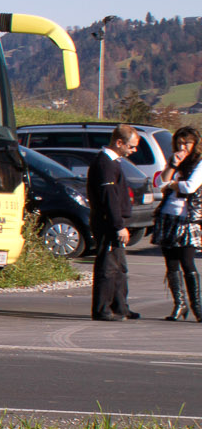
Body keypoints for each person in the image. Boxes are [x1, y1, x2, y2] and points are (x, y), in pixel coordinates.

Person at [87, 124, 140, 321]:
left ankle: (120, 306)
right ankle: (102, 308)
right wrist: (118, 225)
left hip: (114, 221)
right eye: (131, 146)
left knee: (119, 268)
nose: (134, 151)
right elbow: (109, 196)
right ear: (119, 143)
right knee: (108, 267)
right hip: (107, 223)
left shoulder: (113, 162)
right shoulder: (105, 163)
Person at [159, 126, 202, 322]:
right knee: (171, 263)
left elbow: (190, 186)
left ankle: (197, 306)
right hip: (168, 215)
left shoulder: (199, 163)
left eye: (187, 143)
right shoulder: (174, 161)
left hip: (188, 218)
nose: (183, 147)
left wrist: (171, 184)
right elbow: (160, 182)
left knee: (187, 262)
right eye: (179, 143)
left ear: (195, 144)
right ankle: (179, 304)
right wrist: (173, 165)